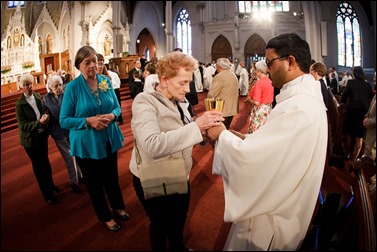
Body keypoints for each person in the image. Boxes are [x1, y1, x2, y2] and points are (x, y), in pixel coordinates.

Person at [206, 33, 328, 251]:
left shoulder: (300, 108)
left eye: (270, 62)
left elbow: (262, 163)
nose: (266, 68)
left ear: (290, 62)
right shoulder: (301, 98)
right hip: (283, 200)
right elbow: (276, 145)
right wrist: (243, 137)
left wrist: (222, 137)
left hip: (275, 215)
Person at [129, 51, 224, 251]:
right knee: (160, 224)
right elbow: (151, 145)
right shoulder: (145, 101)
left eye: (188, 82)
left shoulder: (180, 101)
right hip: (154, 173)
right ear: (164, 79)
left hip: (179, 171)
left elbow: (188, 133)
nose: (187, 89)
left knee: (179, 216)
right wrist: (197, 127)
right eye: (182, 83)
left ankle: (178, 246)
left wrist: (206, 134)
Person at [60, 45, 129, 232]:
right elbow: (64, 120)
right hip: (86, 145)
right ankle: (105, 216)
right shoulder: (72, 88)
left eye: (96, 61)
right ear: (78, 66)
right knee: (94, 183)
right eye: (87, 62)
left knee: (112, 177)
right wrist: (88, 121)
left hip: (108, 138)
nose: (93, 65)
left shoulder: (105, 81)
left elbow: (117, 107)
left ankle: (117, 206)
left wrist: (113, 116)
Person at [16, 73, 60, 205]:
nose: (29, 86)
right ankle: (47, 194)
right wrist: (39, 123)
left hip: (41, 136)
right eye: (26, 85)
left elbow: (42, 110)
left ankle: (51, 185)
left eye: (30, 83)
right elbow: (23, 125)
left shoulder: (36, 96)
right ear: (21, 87)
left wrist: (46, 114)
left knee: (45, 162)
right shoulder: (20, 104)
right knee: (39, 166)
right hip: (30, 140)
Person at [44, 74, 83, 193]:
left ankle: (80, 176)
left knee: (77, 154)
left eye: (60, 85)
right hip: (59, 133)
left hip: (71, 129)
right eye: (56, 86)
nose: (59, 88)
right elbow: (46, 113)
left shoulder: (67, 93)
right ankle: (74, 182)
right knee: (69, 158)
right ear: (50, 87)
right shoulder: (46, 99)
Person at [340, 66, 374, 168]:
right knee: (359, 137)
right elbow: (372, 98)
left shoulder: (351, 82)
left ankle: (347, 155)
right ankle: (354, 161)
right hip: (363, 112)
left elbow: (345, 95)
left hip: (352, 111)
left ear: (354, 73)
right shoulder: (367, 84)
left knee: (350, 134)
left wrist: (342, 103)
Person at [207, 58, 239, 129]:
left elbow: (212, 94)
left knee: (219, 131)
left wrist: (209, 106)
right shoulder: (233, 75)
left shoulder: (219, 77)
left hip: (222, 109)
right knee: (227, 128)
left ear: (219, 67)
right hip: (232, 107)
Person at [246, 60, 274, 134]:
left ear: (260, 71)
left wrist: (249, 100)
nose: (255, 72)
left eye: (256, 70)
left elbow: (256, 102)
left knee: (256, 132)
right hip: (268, 109)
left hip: (260, 110)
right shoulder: (270, 81)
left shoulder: (259, 83)